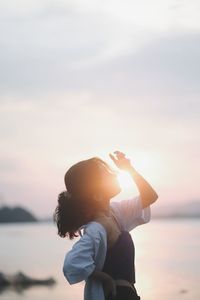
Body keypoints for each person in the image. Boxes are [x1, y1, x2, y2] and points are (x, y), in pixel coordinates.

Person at [54, 151, 158, 300]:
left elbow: (150, 197)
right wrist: (105, 278)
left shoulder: (115, 212)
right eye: (107, 174)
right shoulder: (97, 228)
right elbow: (71, 265)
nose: (114, 174)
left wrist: (129, 169)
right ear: (97, 194)